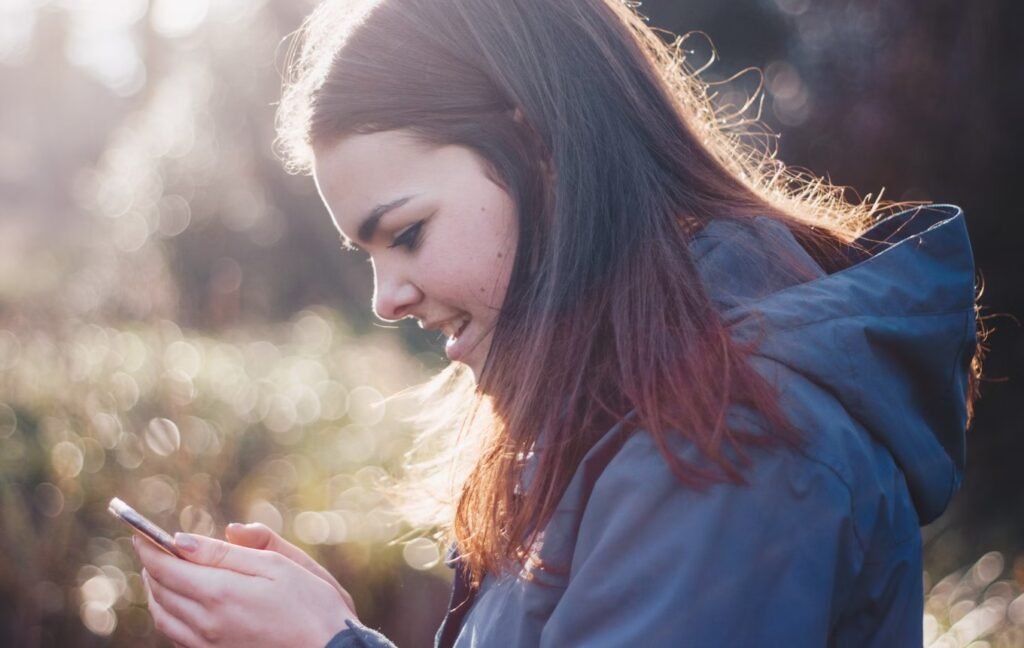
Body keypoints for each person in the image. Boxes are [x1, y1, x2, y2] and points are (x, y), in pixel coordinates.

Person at [133, 0, 984, 645]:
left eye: (406, 234)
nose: (385, 298)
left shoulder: (732, 441)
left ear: (539, 150)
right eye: (368, 254)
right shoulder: (635, 410)